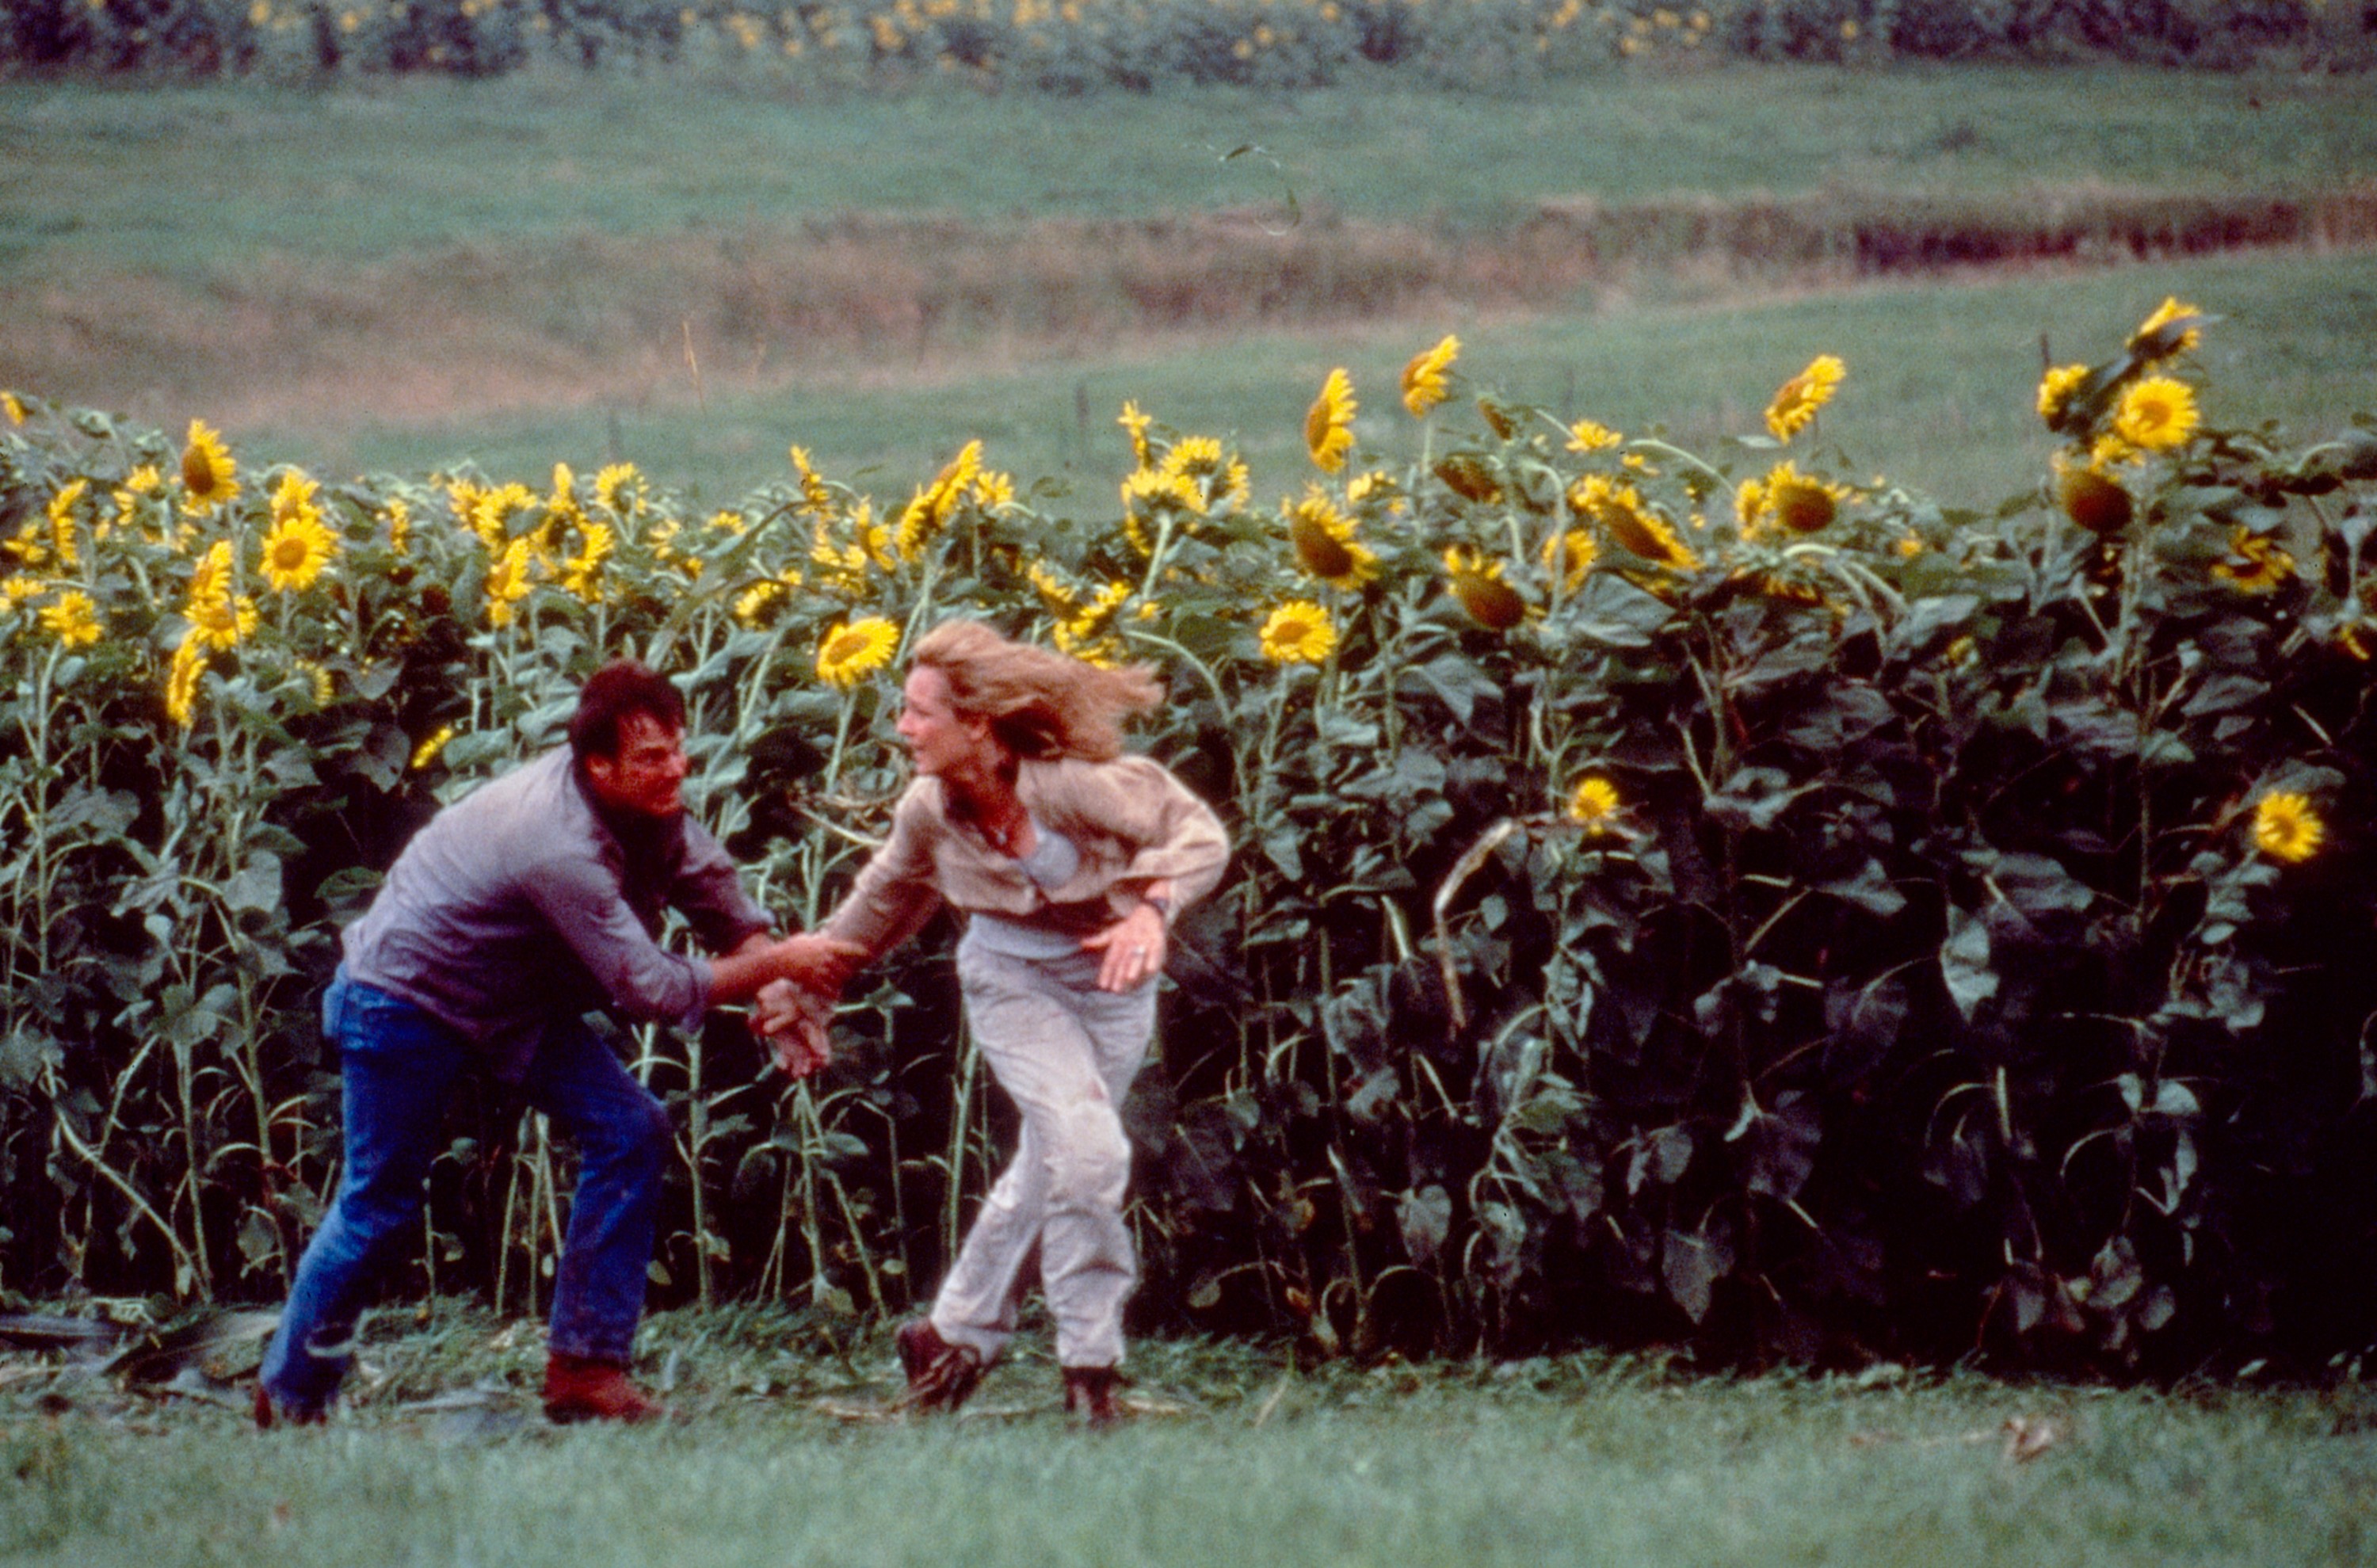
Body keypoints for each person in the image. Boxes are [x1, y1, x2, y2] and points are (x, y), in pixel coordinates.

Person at [256, 658, 857, 1428]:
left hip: (509, 1002)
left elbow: (713, 889)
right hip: (402, 997)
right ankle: (291, 1393)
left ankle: (584, 1369)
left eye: (679, 748)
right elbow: (651, 989)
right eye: (651, 757)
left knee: (631, 1127)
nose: (675, 768)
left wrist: (775, 986)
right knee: (381, 1205)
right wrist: (782, 962)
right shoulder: (554, 842)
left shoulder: (647, 798)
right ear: (595, 765)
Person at [755, 619, 1228, 1427]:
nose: (902, 728)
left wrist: (1154, 908)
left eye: (918, 712)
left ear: (977, 723)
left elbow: (1198, 833)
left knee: (1060, 1156)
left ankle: (948, 1335)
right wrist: (803, 989)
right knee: (1085, 1148)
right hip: (1011, 980)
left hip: (1114, 978)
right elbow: (877, 903)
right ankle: (1092, 1370)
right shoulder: (928, 809)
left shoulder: (1075, 783)